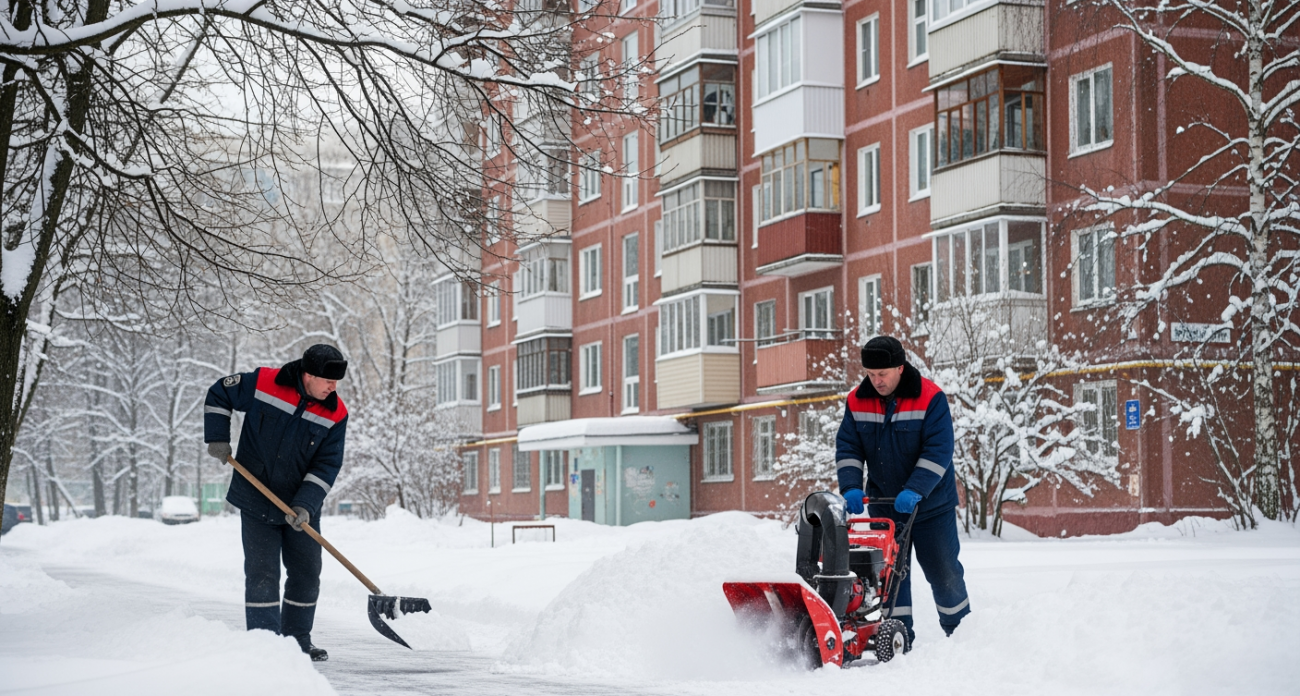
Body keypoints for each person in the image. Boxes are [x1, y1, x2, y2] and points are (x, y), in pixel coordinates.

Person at [204, 344, 350, 661]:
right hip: (256, 498)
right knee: (262, 574)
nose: (333, 387)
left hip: (300, 506)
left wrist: (305, 505)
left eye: (337, 382)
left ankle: (298, 640)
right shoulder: (263, 384)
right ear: (308, 375)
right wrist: (217, 436)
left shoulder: (335, 414)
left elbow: (327, 464)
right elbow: (219, 393)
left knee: (307, 572)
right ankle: (265, 644)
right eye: (328, 381)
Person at [834, 335, 970, 642]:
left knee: (944, 573)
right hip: (884, 506)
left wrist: (916, 489)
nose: (876, 381)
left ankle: (960, 634)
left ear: (900, 367)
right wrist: (852, 487)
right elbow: (849, 447)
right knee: (888, 578)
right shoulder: (857, 400)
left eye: (882, 374)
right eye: (870, 374)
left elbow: (939, 450)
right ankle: (898, 638)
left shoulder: (929, 398)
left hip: (931, 506)